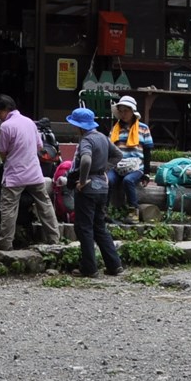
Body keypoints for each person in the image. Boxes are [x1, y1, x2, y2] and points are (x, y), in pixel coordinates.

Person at [0, 95, 61, 249]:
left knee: (8, 208)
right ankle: (54, 238)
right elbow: (39, 146)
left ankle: (5, 242)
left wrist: (9, 159)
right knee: (45, 204)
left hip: (14, 174)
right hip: (34, 173)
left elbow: (2, 152)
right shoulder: (30, 122)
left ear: (6, 110)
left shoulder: (6, 126)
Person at [65, 106, 121, 276]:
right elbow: (118, 154)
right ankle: (114, 264)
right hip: (102, 187)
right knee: (99, 226)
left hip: (88, 189)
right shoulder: (103, 137)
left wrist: (82, 181)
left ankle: (89, 268)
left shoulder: (86, 140)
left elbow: (86, 161)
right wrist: (104, 169)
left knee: (84, 228)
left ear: (80, 126)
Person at [107, 95, 153, 212]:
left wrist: (147, 173)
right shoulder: (115, 129)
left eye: (126, 111)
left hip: (136, 167)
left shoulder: (143, 128)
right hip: (117, 166)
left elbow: (147, 152)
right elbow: (109, 150)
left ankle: (133, 210)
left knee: (128, 181)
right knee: (108, 180)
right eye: (121, 111)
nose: (123, 114)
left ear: (133, 111)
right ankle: (104, 211)